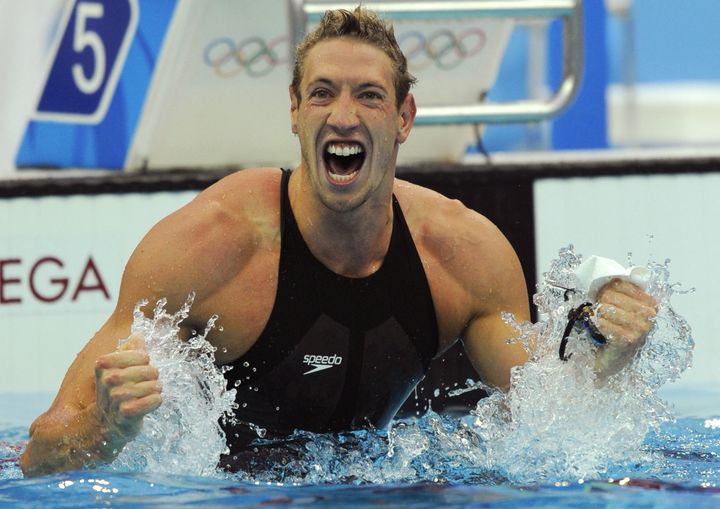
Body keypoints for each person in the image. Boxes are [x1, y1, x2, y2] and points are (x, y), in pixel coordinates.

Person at [20, 7, 657, 476]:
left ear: (404, 119)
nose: (343, 115)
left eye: (369, 96)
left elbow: (551, 430)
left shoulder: (462, 255)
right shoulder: (211, 246)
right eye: (322, 93)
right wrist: (108, 427)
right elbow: (37, 457)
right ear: (295, 111)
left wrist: (608, 356)